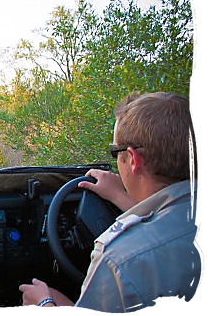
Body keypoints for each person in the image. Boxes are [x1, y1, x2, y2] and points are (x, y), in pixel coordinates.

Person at [19, 92, 200, 312]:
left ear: (132, 159)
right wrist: (120, 197)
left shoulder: (119, 260)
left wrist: (45, 303)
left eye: (115, 152)